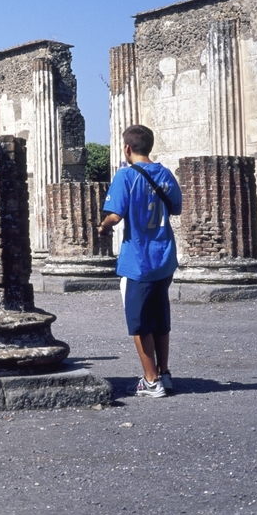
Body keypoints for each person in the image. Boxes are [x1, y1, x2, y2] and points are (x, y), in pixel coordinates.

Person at [97, 124, 182, 399]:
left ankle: (151, 380)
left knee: (140, 322)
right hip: (164, 256)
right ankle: (164, 373)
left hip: (138, 260)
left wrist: (102, 226)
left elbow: (115, 215)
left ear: (127, 148)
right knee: (160, 317)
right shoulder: (165, 174)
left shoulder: (126, 175)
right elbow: (175, 208)